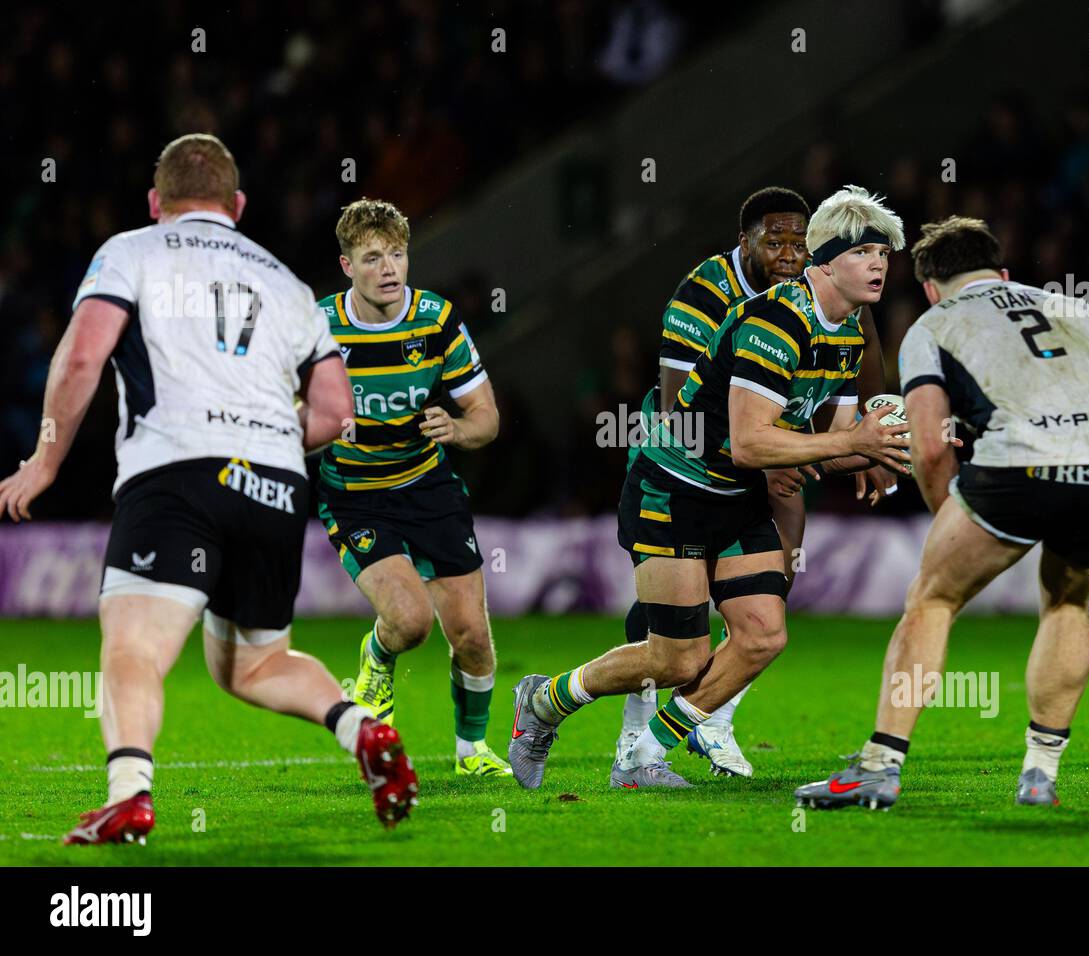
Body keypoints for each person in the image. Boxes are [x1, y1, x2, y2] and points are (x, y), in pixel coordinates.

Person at [0, 134, 417, 843]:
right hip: (276, 483)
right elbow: (337, 414)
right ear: (239, 205)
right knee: (253, 661)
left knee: (134, 645)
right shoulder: (286, 283)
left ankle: (130, 793)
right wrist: (267, 438)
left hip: (177, 472)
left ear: (156, 202)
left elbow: (81, 357)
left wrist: (42, 460)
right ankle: (363, 731)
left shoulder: (133, 251)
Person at [795, 216, 1089, 810]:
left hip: (1019, 465)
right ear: (1003, 273)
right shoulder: (1075, 308)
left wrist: (945, 515)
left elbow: (928, 445)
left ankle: (880, 765)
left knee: (932, 599)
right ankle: (1040, 773)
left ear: (930, 286)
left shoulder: (933, 325)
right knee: (1067, 601)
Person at [509, 186, 911, 790]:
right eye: (867, 251)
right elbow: (751, 442)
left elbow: (832, 433)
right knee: (679, 657)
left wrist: (894, 444)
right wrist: (853, 445)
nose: (881, 264)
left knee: (763, 634)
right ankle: (543, 703)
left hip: (739, 490)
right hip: (676, 488)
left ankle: (641, 758)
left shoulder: (849, 332)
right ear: (827, 259)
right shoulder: (774, 321)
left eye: (886, 253)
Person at [618, 186, 896, 777]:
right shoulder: (707, 294)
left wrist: (888, 443)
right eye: (776, 241)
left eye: (798, 240)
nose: (789, 252)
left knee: (770, 597)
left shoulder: (839, 309)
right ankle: (633, 730)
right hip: (684, 461)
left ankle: (712, 717)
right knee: (671, 631)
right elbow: (681, 411)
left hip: (760, 453)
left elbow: (855, 377)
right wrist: (791, 451)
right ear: (743, 241)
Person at [317, 198, 511, 777]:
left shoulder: (437, 320)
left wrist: (455, 427)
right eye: (372, 257)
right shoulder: (318, 327)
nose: (389, 268)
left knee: (473, 635)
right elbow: (285, 412)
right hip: (354, 494)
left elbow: (487, 416)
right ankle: (376, 660)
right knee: (410, 622)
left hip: (428, 486)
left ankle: (471, 751)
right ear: (347, 266)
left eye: (397, 254)